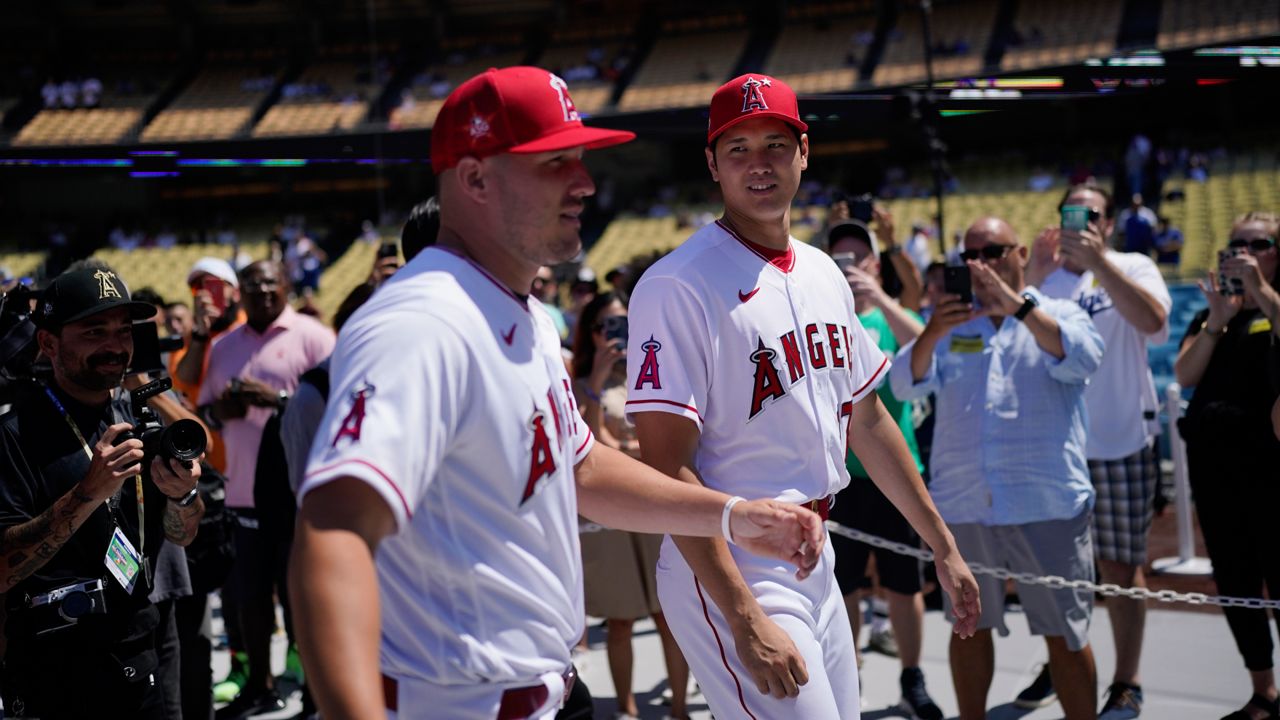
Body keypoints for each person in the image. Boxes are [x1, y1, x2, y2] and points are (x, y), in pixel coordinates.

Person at [288, 66, 827, 720]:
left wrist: (730, 514)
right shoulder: (422, 323)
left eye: (581, 159)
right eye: (554, 163)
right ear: (476, 178)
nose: (586, 183)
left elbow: (582, 468)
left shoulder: (526, 318)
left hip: (545, 692)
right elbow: (332, 533)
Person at [626, 73, 979, 719]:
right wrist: (741, 612)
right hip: (733, 559)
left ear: (804, 151)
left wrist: (943, 546)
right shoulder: (676, 283)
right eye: (738, 149)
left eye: (774, 144)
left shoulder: (823, 271)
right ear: (711, 163)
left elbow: (869, 422)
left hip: (817, 548)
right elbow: (666, 464)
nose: (759, 165)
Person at [890, 217, 1104, 720]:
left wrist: (1018, 307)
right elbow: (903, 382)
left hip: (1047, 502)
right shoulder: (950, 324)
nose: (979, 265)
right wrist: (934, 329)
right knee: (968, 626)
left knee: (1066, 635)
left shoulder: (1060, 311)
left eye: (992, 252)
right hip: (966, 503)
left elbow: (1083, 357)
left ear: (1022, 254)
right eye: (970, 256)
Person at [0, 266, 204, 719]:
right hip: (52, 682)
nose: (115, 346)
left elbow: (183, 534)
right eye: (95, 331)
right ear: (49, 344)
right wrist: (87, 494)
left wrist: (184, 497)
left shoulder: (140, 420)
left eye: (124, 331)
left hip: (140, 668)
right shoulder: (14, 434)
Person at [1028, 183, 1172, 719]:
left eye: (1092, 214)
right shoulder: (1046, 275)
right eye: (1072, 212)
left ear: (1108, 223)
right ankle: (1065, 659)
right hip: (1056, 441)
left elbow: (1155, 323)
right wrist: (1036, 275)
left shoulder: (1133, 266)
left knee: (1119, 565)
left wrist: (1100, 264)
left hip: (1119, 441)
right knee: (1058, 569)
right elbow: (1006, 332)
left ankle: (1127, 679)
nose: (1081, 221)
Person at [198, 260, 335, 719]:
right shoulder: (223, 345)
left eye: (268, 283)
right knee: (249, 599)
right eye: (251, 284)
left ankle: (318, 696)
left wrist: (275, 400)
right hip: (241, 492)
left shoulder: (313, 336)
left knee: (305, 601)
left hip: (300, 495)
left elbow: (339, 405)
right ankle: (261, 684)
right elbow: (208, 413)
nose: (260, 291)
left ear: (286, 286)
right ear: (241, 293)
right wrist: (227, 407)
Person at [827, 220, 941, 718]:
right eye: (841, 261)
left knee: (904, 585)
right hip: (842, 476)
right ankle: (848, 674)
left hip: (897, 472)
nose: (851, 269)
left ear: (876, 263)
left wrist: (880, 296)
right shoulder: (825, 317)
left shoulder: (892, 317)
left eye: (859, 259)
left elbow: (925, 341)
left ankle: (911, 678)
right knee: (844, 584)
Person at [1174, 212, 1280, 720]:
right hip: (1215, 472)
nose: (1242, 252)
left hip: (1270, 469)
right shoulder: (1212, 312)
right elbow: (1185, 372)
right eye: (1234, 244)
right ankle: (1264, 692)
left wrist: (1263, 293)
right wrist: (1217, 319)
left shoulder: (1274, 305)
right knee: (1236, 582)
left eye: (1256, 243)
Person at [570, 291, 691, 720]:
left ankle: (679, 709)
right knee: (620, 621)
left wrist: (619, 447)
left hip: (656, 503)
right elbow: (582, 446)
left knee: (668, 614)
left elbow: (675, 436)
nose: (614, 334)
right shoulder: (577, 375)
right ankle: (626, 710)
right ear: (590, 332)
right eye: (604, 326)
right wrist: (595, 384)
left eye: (621, 323)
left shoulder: (655, 363)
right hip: (609, 515)